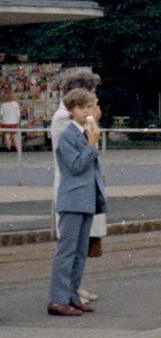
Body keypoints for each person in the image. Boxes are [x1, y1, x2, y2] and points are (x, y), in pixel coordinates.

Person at [47, 87, 107, 316]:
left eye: (89, 107)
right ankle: (58, 299)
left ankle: (72, 296)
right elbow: (75, 166)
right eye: (81, 108)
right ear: (71, 110)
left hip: (86, 200)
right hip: (72, 200)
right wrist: (91, 145)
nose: (86, 111)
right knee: (66, 252)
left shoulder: (86, 132)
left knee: (80, 252)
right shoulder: (67, 136)